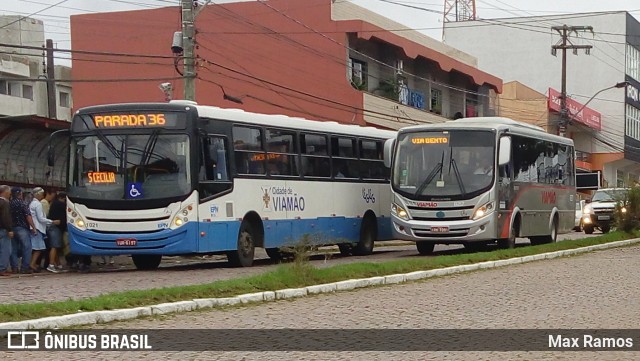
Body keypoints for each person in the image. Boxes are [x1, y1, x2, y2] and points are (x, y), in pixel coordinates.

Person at [29, 187, 60, 273]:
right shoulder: (38, 204)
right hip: (38, 227)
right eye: (42, 194)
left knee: (36, 248)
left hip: (35, 227)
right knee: (39, 248)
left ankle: (33, 263)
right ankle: (32, 264)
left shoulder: (32, 203)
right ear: (38, 194)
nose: (43, 196)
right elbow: (41, 218)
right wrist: (52, 221)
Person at [9, 187, 36, 274]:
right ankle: (24, 267)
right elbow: (28, 216)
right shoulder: (23, 203)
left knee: (13, 248)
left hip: (12, 228)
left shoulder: (9, 203)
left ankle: (14, 268)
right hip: (22, 228)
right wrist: (33, 227)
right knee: (27, 248)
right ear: (20, 193)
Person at [47, 191, 67, 271]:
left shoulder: (53, 203)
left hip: (53, 226)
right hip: (56, 227)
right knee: (54, 246)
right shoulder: (60, 204)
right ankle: (51, 264)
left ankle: (58, 264)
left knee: (56, 246)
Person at [0, 185, 14, 276]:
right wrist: (9, 229)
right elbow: (6, 217)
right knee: (6, 249)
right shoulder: (5, 203)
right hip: (3, 229)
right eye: (9, 193)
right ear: (5, 192)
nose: (10, 195)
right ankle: (2, 268)